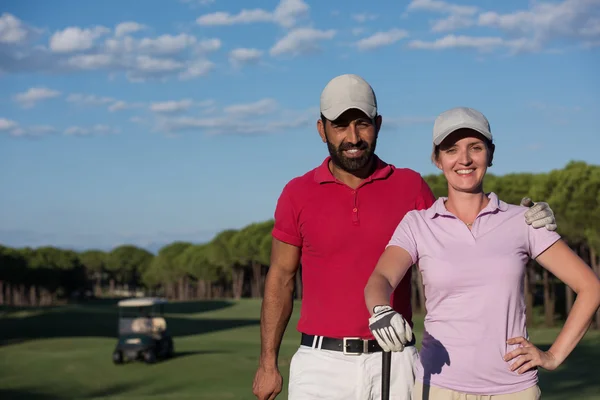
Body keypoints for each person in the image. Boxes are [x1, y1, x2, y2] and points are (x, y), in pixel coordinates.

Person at [251, 74, 559, 400]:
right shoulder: (297, 193)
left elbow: (465, 227)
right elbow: (281, 278)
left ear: (378, 124)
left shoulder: (410, 187)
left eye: (362, 123)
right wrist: (267, 362)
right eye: (340, 125)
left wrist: (524, 219)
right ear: (321, 129)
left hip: (396, 362)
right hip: (320, 363)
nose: (353, 136)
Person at [364, 106, 600, 400]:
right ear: (437, 160)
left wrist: (553, 355)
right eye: (451, 150)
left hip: (513, 390)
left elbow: (590, 287)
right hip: (439, 387)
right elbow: (382, 277)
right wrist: (380, 309)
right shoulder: (418, 224)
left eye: (475, 148)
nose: (464, 159)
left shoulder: (523, 220)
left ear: (490, 153)